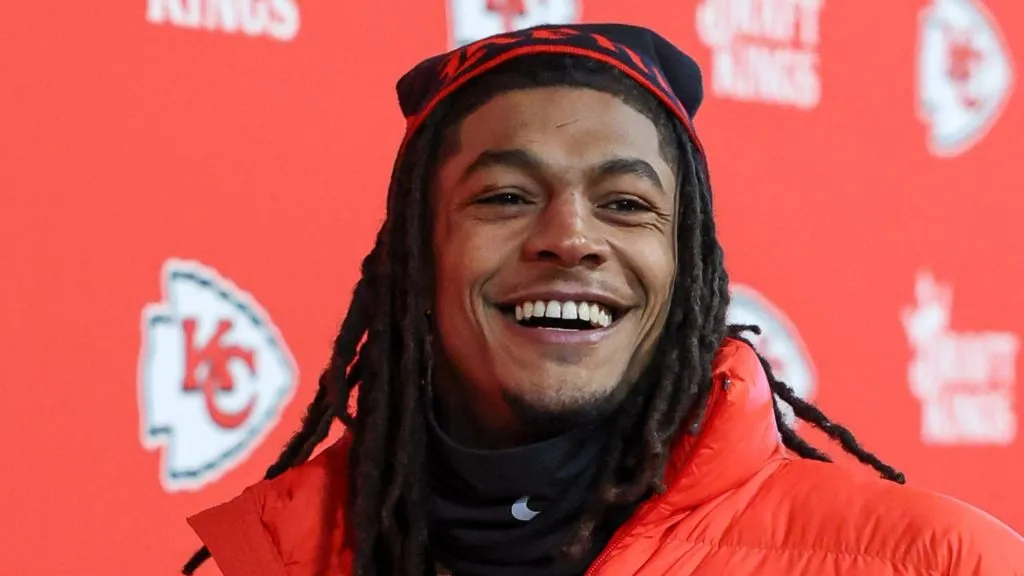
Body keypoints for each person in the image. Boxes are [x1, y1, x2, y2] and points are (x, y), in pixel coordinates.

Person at [181, 24, 1024, 576]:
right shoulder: (279, 558)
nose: (571, 237)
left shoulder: (938, 562)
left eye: (625, 204)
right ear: (415, 256)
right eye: (505, 197)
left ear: (684, 263)